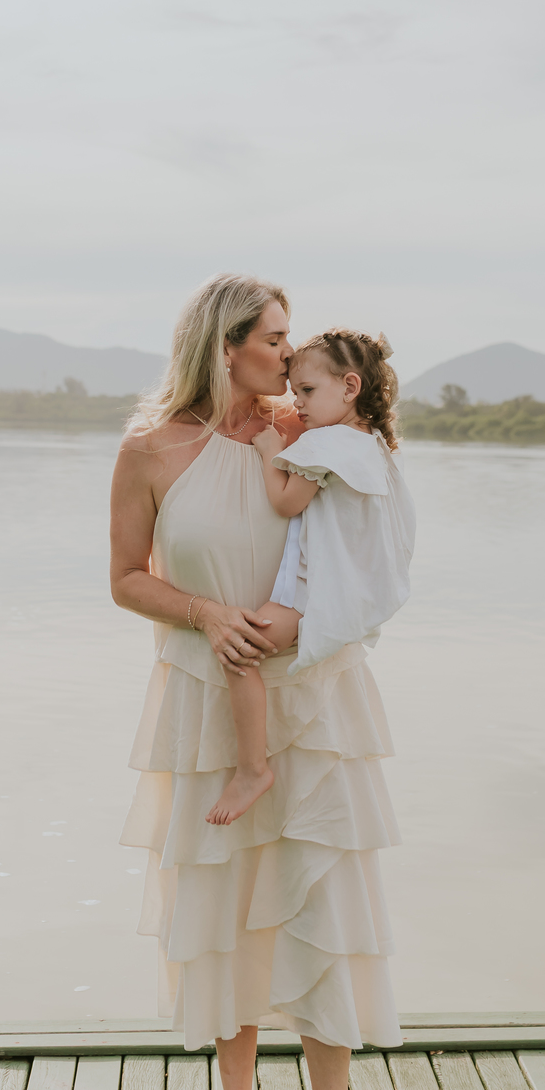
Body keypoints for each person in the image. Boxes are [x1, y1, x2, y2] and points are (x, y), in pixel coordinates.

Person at [111, 273, 403, 1090]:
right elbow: (123, 580)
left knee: (321, 925)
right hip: (206, 708)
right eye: (274, 338)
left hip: (314, 709)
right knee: (226, 927)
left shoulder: (313, 433)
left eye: (290, 339)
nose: (290, 350)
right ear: (225, 344)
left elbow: (372, 552)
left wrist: (296, 625)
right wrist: (203, 612)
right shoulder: (150, 450)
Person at [204, 328, 415, 828]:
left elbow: (285, 502)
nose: (296, 402)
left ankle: (252, 770)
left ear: (350, 386)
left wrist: (267, 451)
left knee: (239, 651)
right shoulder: (373, 444)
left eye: (307, 391)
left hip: (308, 592)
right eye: (295, 391)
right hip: (335, 588)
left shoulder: (329, 443)